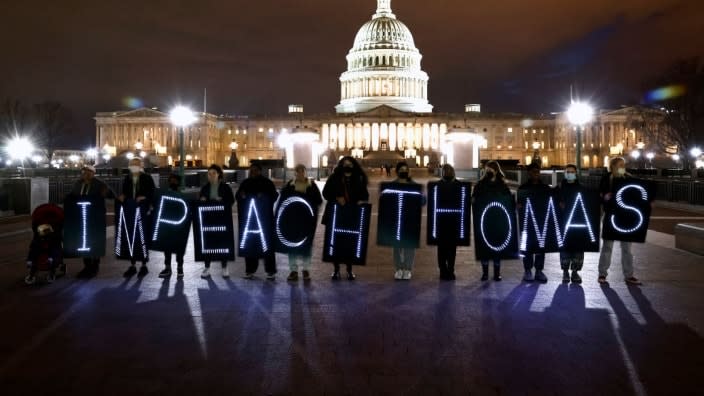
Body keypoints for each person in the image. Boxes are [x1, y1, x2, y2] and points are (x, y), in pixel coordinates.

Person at [322, 156, 369, 280]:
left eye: (350, 164)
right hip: (336, 214)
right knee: (335, 243)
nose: (347, 166)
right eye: (345, 163)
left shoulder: (358, 178)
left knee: (350, 243)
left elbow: (365, 195)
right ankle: (336, 269)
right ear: (341, 165)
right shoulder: (334, 178)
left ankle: (349, 269)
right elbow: (325, 193)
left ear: (353, 165)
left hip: (351, 214)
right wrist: (337, 197)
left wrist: (360, 200)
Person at [598, 157, 642, 285]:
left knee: (627, 248)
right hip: (611, 215)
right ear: (613, 166)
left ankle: (629, 275)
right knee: (607, 246)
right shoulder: (607, 178)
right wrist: (605, 196)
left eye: (624, 164)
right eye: (620, 165)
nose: (623, 167)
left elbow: (637, 194)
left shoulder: (629, 178)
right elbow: (600, 195)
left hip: (626, 217)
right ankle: (602, 273)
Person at [236, 163, 279, 279]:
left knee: (266, 245)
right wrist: (241, 195)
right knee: (251, 245)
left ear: (260, 171)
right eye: (251, 171)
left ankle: (270, 271)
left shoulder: (267, 183)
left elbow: (274, 196)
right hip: (251, 220)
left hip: (263, 220)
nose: (253, 172)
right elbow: (238, 196)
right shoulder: (246, 183)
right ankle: (250, 270)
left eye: (255, 170)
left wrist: (264, 196)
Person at [281, 164, 323, 281]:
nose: (300, 174)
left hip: (307, 220)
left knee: (306, 245)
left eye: (302, 171)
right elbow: (283, 199)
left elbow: (318, 200)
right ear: (295, 173)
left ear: (305, 172)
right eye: (298, 172)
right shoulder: (290, 185)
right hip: (293, 220)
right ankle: (293, 271)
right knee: (292, 245)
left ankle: (306, 270)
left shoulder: (312, 185)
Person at [472, 161, 512, 281]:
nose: (489, 171)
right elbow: (474, 198)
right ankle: (485, 272)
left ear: (496, 170)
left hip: (498, 218)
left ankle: (497, 272)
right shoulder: (480, 184)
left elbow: (508, 199)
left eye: (491, 169)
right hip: (485, 218)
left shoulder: (502, 184)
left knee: (497, 245)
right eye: (487, 169)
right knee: (484, 245)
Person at [70, 164, 110, 279]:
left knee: (94, 241)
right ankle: (87, 266)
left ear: (93, 173)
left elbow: (109, 194)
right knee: (84, 243)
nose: (86, 174)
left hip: (95, 217)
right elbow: (73, 196)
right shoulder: (78, 183)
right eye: (84, 172)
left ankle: (95, 266)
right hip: (82, 216)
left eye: (88, 172)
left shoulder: (100, 184)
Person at [119, 158, 156, 278]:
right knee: (131, 237)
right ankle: (133, 265)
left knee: (142, 237)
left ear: (141, 166)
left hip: (142, 209)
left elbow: (152, 193)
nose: (134, 166)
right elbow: (124, 191)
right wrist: (123, 196)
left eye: (136, 164)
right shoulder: (127, 178)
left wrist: (144, 198)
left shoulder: (147, 178)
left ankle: (144, 265)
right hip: (130, 209)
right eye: (132, 164)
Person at [390, 161, 425, 280]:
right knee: (396, 246)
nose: (403, 172)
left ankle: (408, 269)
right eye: (401, 170)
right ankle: (399, 269)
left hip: (410, 219)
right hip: (396, 219)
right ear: (397, 171)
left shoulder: (414, 185)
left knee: (409, 246)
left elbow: (423, 200)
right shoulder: (392, 185)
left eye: (405, 170)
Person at [200, 164, 236, 278]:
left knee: (222, 243)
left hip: (221, 218)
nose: (211, 176)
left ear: (219, 174)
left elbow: (231, 200)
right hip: (209, 219)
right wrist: (202, 200)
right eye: (209, 174)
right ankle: (207, 267)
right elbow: (200, 200)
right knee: (208, 243)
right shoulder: (205, 188)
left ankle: (224, 267)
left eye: (213, 173)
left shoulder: (225, 187)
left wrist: (222, 200)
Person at [517, 162, 549, 283]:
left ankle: (539, 270)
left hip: (541, 221)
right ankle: (528, 270)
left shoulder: (545, 188)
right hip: (527, 222)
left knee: (541, 247)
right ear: (529, 173)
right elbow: (518, 204)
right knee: (527, 247)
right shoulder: (523, 188)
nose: (536, 173)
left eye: (537, 171)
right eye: (533, 171)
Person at [557, 164, 584, 283]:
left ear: (576, 173)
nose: (570, 173)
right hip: (563, 223)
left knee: (578, 247)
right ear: (564, 173)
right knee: (565, 248)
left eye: (572, 172)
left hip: (578, 223)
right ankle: (565, 272)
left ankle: (575, 272)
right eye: (568, 172)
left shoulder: (581, 188)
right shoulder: (559, 189)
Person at [158, 174, 186, 279]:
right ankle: (169, 267)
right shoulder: (168, 194)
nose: (173, 183)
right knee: (168, 247)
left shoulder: (181, 196)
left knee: (178, 248)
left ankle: (179, 267)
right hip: (168, 225)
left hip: (176, 225)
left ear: (178, 183)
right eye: (171, 180)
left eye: (174, 181)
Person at [435, 164, 460, 280]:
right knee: (446, 249)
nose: (447, 173)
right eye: (446, 171)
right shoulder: (439, 185)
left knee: (448, 249)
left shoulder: (458, 185)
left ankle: (448, 270)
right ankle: (445, 270)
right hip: (445, 222)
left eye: (449, 171)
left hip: (448, 222)